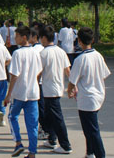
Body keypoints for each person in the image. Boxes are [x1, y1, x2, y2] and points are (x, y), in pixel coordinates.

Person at [68, 27, 110, 158]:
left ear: (79, 41)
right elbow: (104, 74)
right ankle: (90, 152)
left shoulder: (80, 59)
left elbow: (72, 80)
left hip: (87, 98)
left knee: (92, 131)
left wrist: (70, 91)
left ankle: (100, 155)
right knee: (90, 127)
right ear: (92, 40)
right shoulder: (98, 55)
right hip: (98, 95)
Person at [4, 26, 42, 158]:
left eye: (17, 36)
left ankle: (18, 142)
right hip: (33, 92)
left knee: (12, 117)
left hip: (19, 92)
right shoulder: (36, 52)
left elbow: (14, 75)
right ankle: (32, 152)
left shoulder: (18, 53)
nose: (15, 39)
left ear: (24, 37)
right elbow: (39, 70)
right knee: (32, 124)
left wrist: (8, 95)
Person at [39, 25, 72, 154]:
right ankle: (52, 139)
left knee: (57, 118)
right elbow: (67, 70)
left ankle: (65, 145)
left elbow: (38, 72)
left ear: (44, 38)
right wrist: (72, 85)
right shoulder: (61, 51)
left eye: (41, 38)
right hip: (57, 87)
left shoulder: (44, 53)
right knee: (50, 116)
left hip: (49, 89)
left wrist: (34, 83)